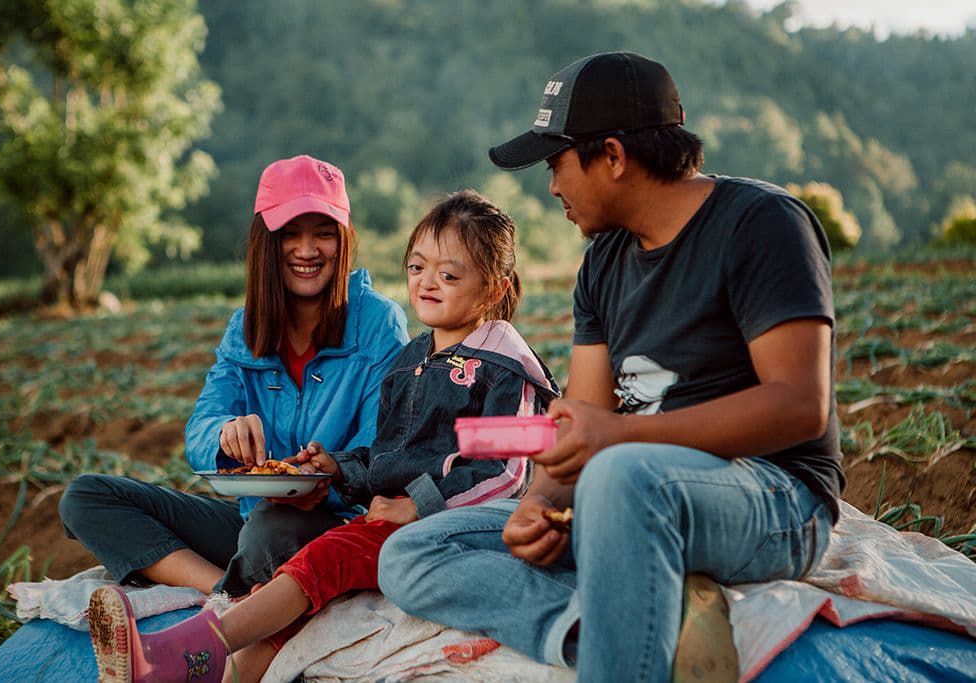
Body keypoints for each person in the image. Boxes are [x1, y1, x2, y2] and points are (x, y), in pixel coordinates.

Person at [377, 51, 844, 682]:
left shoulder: (761, 224)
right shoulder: (602, 263)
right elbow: (584, 419)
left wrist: (620, 438)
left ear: (614, 157)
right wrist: (539, 504)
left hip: (774, 498)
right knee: (412, 551)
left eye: (557, 164)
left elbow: (799, 405)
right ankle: (596, 626)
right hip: (622, 495)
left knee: (621, 475)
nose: (552, 187)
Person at [85, 189, 561, 683]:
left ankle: (174, 651)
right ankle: (198, 671)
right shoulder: (414, 360)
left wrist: (418, 506)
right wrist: (337, 467)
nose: (426, 283)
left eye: (449, 275)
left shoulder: (501, 367)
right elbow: (387, 454)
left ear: (493, 288)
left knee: (322, 558)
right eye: (417, 268)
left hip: (452, 527)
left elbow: (506, 472)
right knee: (297, 604)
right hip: (390, 521)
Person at [59, 155, 410, 599]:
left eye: (324, 233)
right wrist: (225, 433)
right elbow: (199, 431)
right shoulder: (244, 328)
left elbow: (384, 446)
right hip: (253, 519)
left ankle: (240, 595)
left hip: (340, 526)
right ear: (265, 241)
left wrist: (328, 478)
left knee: (270, 529)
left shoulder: (378, 322)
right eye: (290, 234)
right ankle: (227, 593)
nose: (307, 250)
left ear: (343, 240)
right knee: (86, 497)